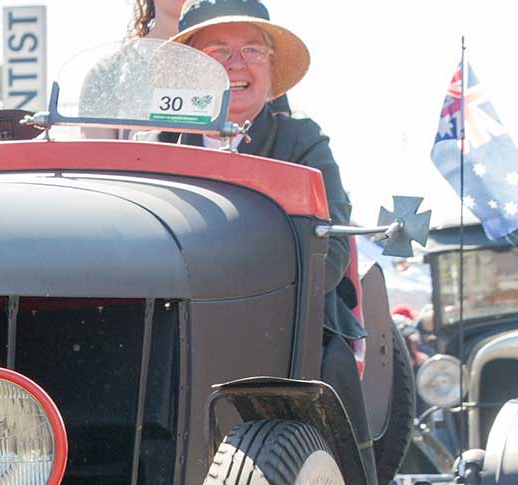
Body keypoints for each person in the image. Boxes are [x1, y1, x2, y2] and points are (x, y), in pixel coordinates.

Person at [141, 0, 369, 424]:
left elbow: (330, 255)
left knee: (326, 372)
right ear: (190, 70)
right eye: (219, 52)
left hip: (289, 336)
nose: (236, 64)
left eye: (252, 50)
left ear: (270, 66)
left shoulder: (304, 143)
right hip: (181, 338)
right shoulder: (155, 148)